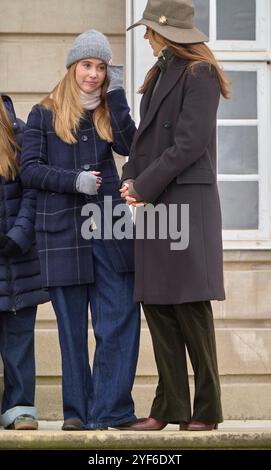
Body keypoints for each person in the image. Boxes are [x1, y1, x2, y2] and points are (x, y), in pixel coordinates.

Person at [20, 30, 141, 431]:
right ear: (73, 67)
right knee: (72, 327)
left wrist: (119, 96)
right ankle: (78, 412)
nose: (94, 74)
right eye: (87, 65)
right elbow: (30, 170)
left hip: (111, 228)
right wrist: (73, 181)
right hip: (62, 232)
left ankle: (112, 410)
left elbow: (131, 147)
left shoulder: (109, 108)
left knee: (119, 316)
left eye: (102, 67)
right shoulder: (44, 113)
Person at [120, 0, 230, 431]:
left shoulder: (198, 74)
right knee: (158, 306)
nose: (146, 38)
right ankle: (169, 409)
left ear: (169, 32)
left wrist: (142, 186)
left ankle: (206, 410)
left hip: (185, 203)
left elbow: (189, 144)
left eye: (149, 31)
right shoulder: (159, 73)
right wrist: (130, 178)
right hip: (156, 204)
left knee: (190, 309)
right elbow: (145, 143)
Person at [0, 94, 49, 430]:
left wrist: (17, 237)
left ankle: (19, 408)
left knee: (18, 339)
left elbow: (33, 193)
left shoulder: (19, 134)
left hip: (15, 260)